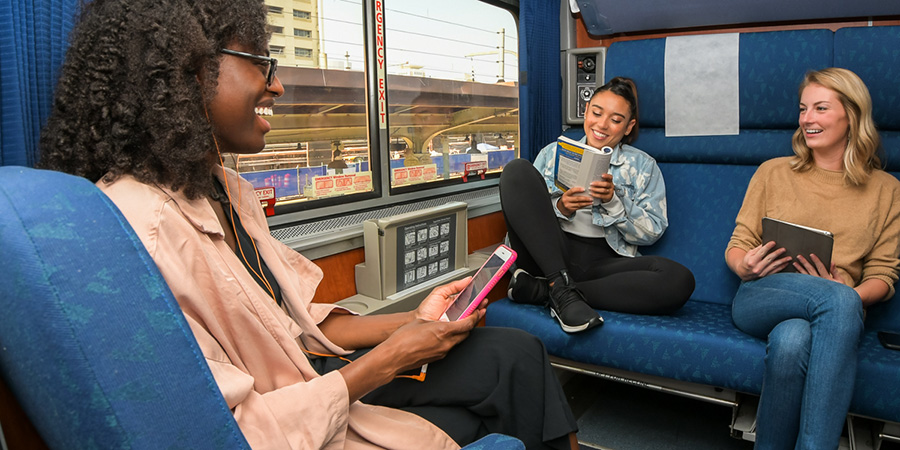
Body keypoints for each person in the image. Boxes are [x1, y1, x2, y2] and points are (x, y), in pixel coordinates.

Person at [37, 0, 579, 448]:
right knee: (487, 416)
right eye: (260, 63)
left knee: (516, 354)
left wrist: (413, 321)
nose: (276, 86)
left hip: (315, 374)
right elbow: (230, 431)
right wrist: (391, 358)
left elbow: (296, 324)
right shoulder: (138, 229)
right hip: (295, 412)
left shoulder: (227, 190)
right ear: (188, 71)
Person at [725, 68, 900, 449]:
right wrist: (745, 264)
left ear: (851, 117)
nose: (807, 119)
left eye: (820, 108)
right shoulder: (773, 172)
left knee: (792, 341)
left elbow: (884, 275)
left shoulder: (887, 190)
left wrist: (849, 291)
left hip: (834, 310)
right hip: (761, 295)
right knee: (837, 300)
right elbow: (738, 243)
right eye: (803, 109)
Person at [499, 77, 695, 333]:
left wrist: (614, 203)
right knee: (516, 171)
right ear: (586, 110)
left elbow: (653, 231)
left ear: (628, 127)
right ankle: (558, 283)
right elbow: (525, 213)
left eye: (615, 120)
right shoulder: (551, 153)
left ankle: (546, 290)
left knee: (679, 280)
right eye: (596, 113)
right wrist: (560, 208)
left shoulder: (643, 166)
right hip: (548, 254)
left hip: (603, 263)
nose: (602, 125)